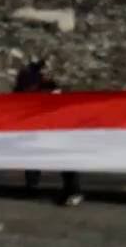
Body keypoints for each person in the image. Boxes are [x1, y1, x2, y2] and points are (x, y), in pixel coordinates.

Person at [16, 59, 83, 207]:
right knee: (36, 155)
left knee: (65, 160)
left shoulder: (50, 88)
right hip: (44, 129)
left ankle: (72, 190)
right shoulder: (33, 85)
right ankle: (35, 185)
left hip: (56, 129)